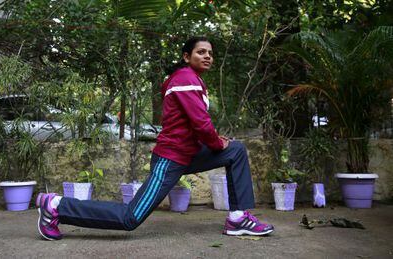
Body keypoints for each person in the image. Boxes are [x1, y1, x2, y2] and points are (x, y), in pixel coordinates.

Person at [36, 36, 274, 241]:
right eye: (201, 52)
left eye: (210, 53)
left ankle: (237, 217)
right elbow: (201, 123)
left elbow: (187, 125)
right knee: (130, 218)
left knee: (235, 150)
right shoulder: (184, 78)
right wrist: (214, 142)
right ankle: (56, 206)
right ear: (186, 56)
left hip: (187, 154)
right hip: (170, 159)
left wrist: (217, 141)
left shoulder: (192, 80)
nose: (208, 56)